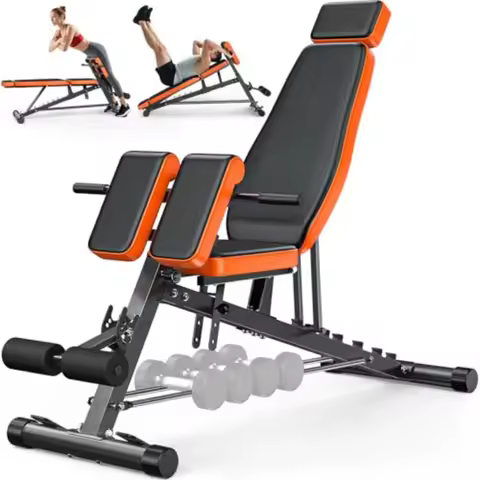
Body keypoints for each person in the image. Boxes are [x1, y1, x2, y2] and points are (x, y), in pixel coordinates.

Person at [49, 6, 130, 117]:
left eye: (54, 17)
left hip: (96, 50)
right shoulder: (58, 32)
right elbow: (50, 49)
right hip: (89, 55)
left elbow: (64, 48)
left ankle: (125, 105)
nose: (52, 19)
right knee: (101, 80)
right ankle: (113, 103)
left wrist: (57, 42)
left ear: (62, 16)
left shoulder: (70, 28)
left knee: (109, 76)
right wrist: (60, 41)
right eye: (51, 17)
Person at [133, 5, 230, 88]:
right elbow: (195, 43)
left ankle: (141, 22)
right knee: (162, 47)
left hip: (172, 77)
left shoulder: (206, 63)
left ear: (214, 56)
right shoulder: (199, 59)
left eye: (214, 51)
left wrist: (226, 53)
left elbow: (207, 42)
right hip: (173, 69)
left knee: (159, 49)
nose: (212, 49)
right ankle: (146, 22)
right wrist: (204, 47)